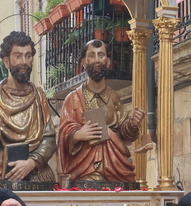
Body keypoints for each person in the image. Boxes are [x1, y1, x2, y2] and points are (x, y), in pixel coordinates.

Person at [57, 40, 145, 184]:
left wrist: (133, 124)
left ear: (108, 62)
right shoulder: (73, 98)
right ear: (84, 62)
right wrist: (77, 135)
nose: (97, 60)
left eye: (101, 55)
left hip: (116, 167)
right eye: (92, 55)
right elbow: (63, 135)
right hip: (86, 170)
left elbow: (124, 133)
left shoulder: (114, 97)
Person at [0, 31, 56, 181]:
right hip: (5, 173)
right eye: (17, 56)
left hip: (37, 172)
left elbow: (50, 138)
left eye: (28, 56)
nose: (24, 62)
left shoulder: (39, 95)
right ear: (6, 61)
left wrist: (32, 162)